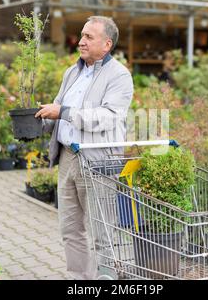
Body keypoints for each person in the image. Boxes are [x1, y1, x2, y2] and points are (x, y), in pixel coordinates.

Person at [35, 16, 134, 280]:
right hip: (67, 158)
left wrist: (64, 112)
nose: (81, 41)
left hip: (97, 161)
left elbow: (108, 116)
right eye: (82, 35)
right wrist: (39, 121)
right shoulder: (72, 72)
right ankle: (80, 280)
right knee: (70, 229)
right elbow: (58, 110)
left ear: (107, 44)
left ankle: (106, 279)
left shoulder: (120, 76)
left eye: (89, 37)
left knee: (102, 231)